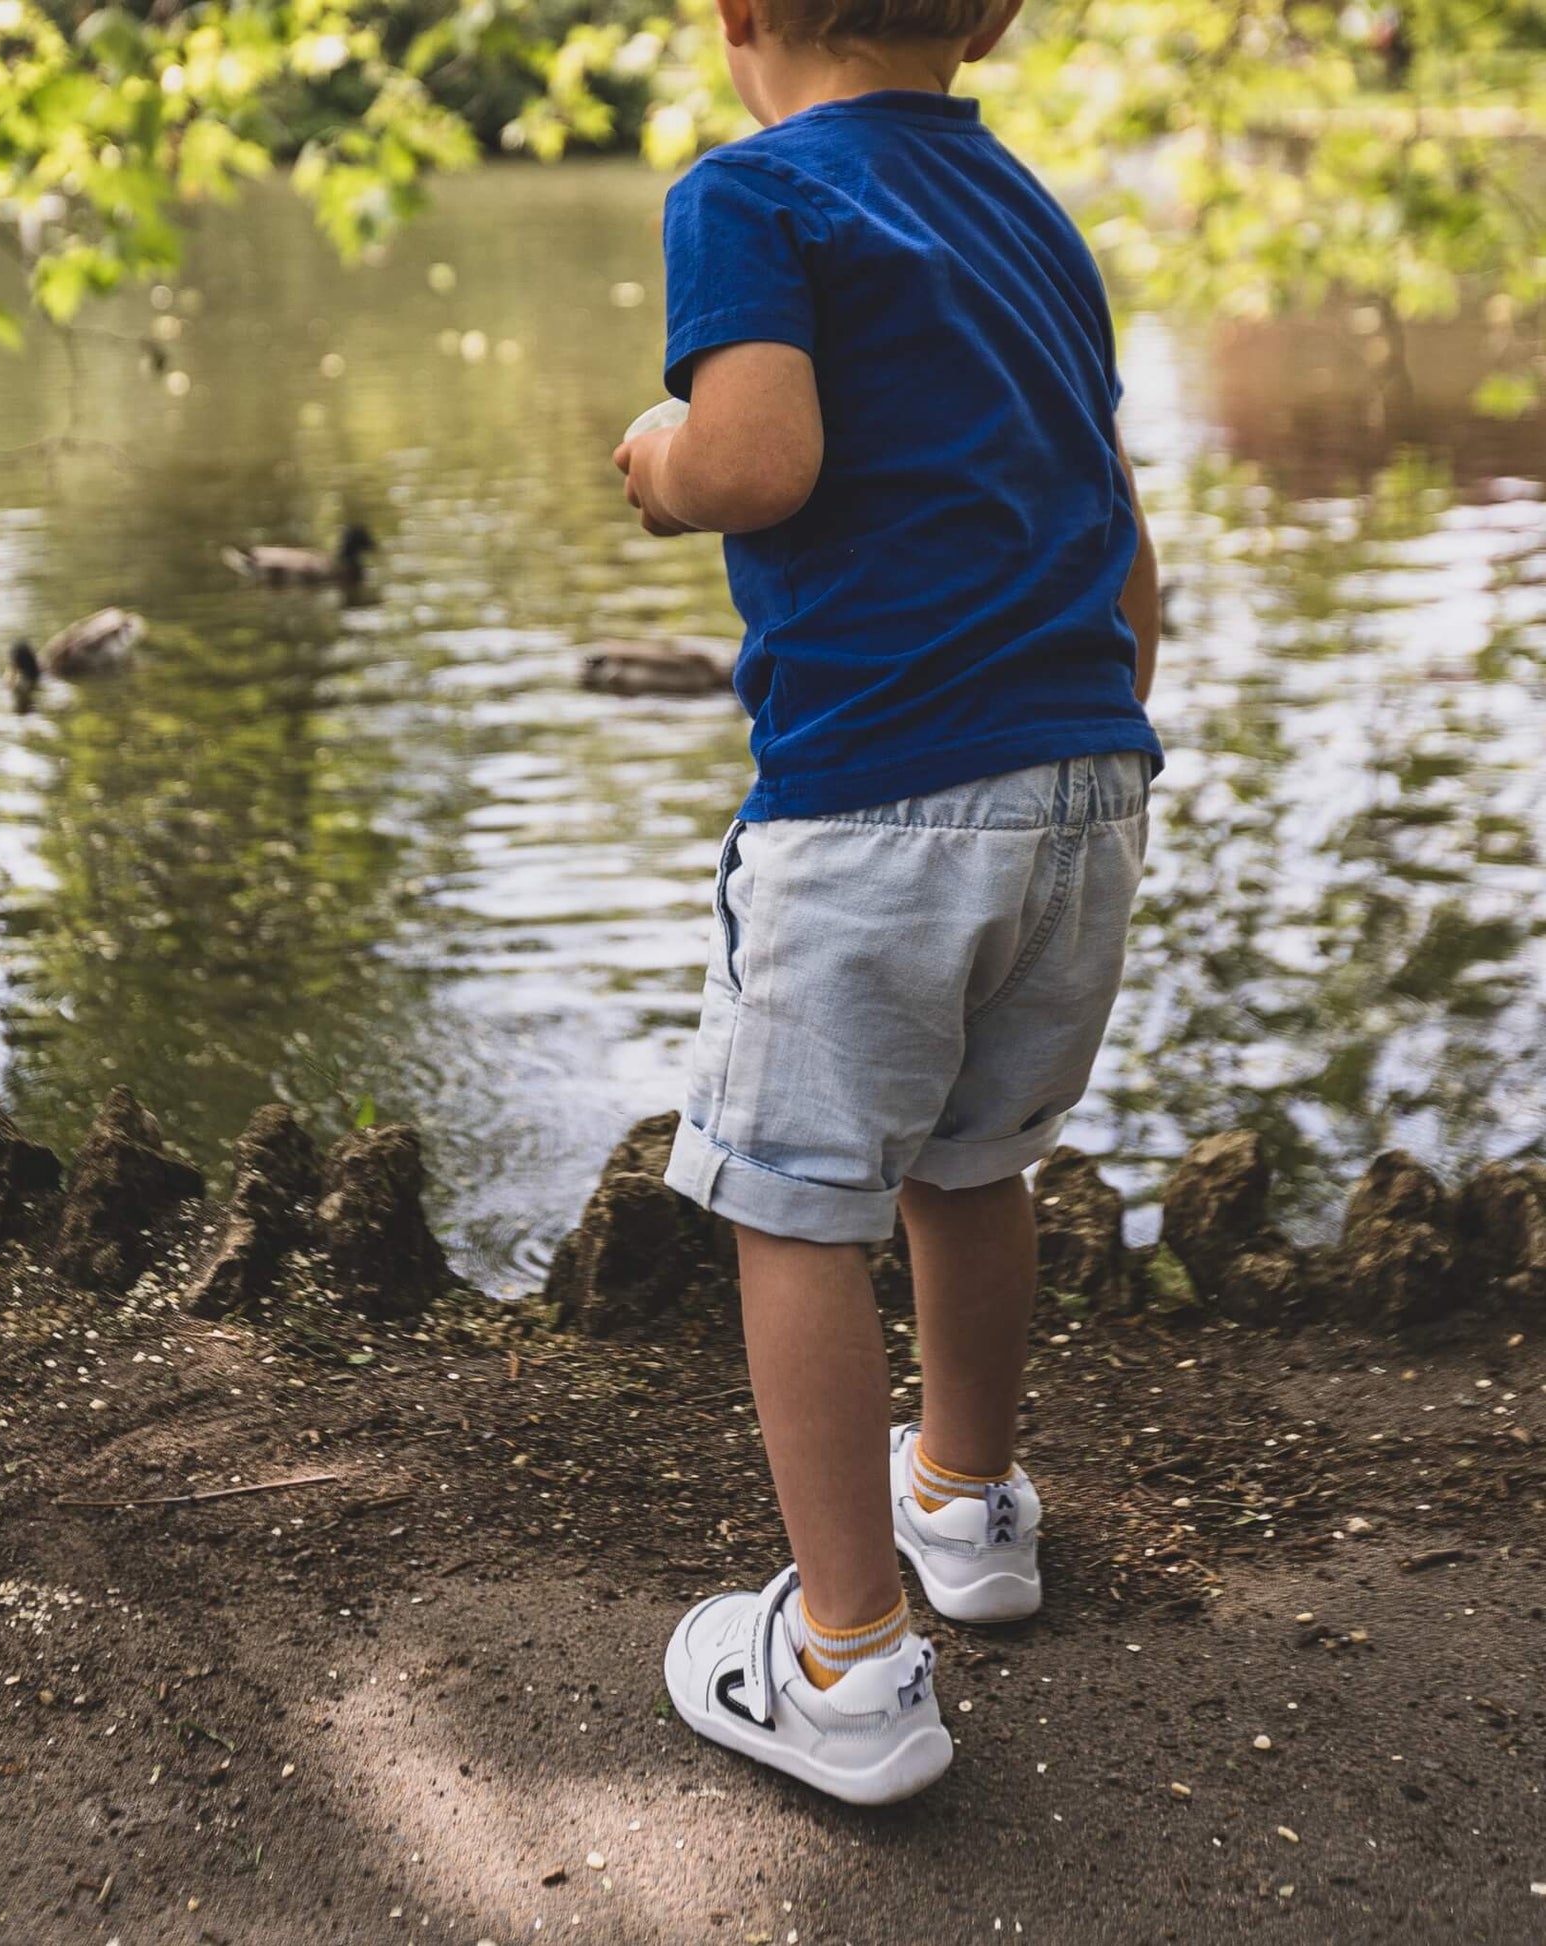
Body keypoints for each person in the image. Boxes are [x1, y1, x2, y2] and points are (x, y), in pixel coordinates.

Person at [613, 0, 1162, 1804]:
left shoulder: (751, 194)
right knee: (970, 1155)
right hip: (1083, 776)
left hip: (875, 801)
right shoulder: (1028, 210)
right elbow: (1117, 521)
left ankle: (844, 1663)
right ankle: (968, 1506)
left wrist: (659, 455)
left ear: (736, 14)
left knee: (792, 1204)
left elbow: (759, 457)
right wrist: (1097, 732)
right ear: (990, 13)